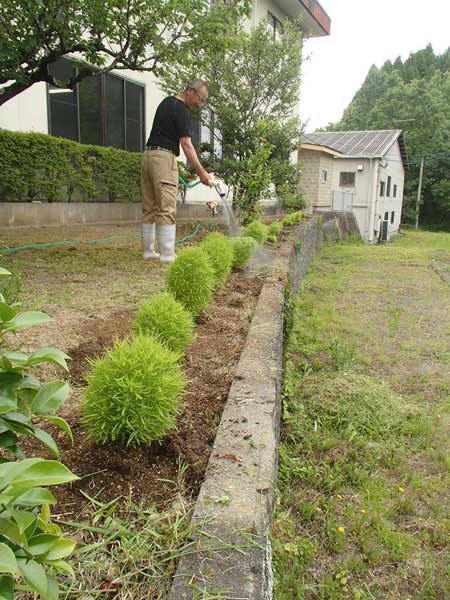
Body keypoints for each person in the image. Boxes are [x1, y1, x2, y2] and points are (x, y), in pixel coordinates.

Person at [141, 79, 213, 262]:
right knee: (167, 207)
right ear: (190, 91)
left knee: (149, 207)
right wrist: (202, 172)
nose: (200, 104)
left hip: (148, 157)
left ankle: (148, 252)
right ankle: (166, 254)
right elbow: (187, 144)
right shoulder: (182, 109)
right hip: (164, 159)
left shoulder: (166, 102)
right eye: (201, 99)